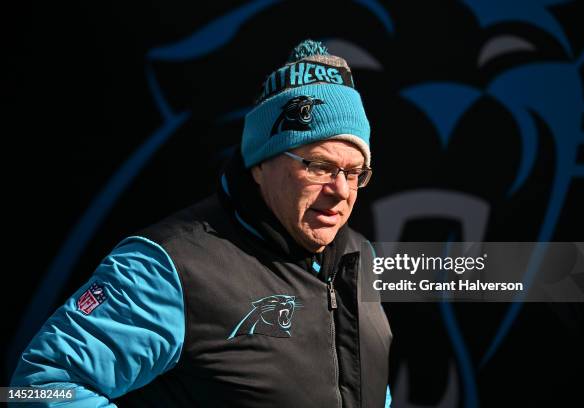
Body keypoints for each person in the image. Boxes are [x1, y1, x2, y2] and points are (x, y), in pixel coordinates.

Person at [11, 40, 392, 407]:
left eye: (355, 172)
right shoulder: (169, 267)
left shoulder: (359, 255)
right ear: (260, 164)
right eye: (320, 166)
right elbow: (38, 385)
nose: (341, 190)